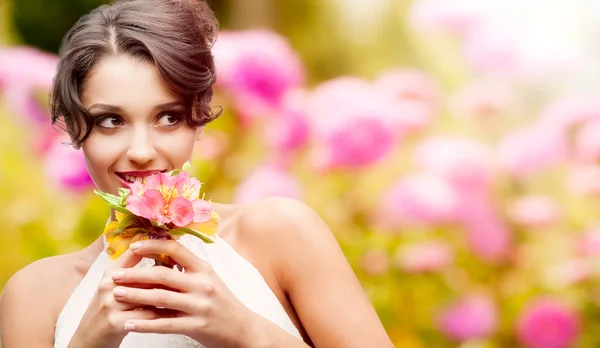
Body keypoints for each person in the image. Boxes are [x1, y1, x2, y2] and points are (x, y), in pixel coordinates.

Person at [0, 0, 395, 347]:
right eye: (110, 120)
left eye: (168, 117)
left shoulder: (279, 234)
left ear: (200, 119)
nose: (141, 151)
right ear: (71, 127)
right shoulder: (34, 295)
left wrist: (246, 332)